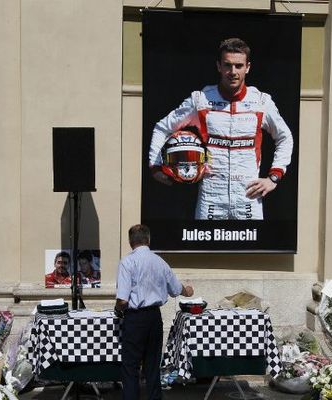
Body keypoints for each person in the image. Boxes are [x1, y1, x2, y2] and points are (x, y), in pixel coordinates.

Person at [148, 37, 293, 220]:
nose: (233, 72)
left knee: (252, 250)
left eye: (239, 66)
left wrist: (274, 177)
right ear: (219, 66)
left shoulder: (261, 102)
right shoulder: (200, 100)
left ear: (248, 67)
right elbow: (162, 128)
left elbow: (284, 137)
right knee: (206, 249)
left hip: (248, 196)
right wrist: (155, 166)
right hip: (211, 197)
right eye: (227, 65)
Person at [115, 224, 194, 400]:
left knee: (131, 367)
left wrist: (117, 309)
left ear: (130, 242)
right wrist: (188, 291)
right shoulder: (160, 261)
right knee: (152, 366)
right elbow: (176, 288)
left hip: (135, 319)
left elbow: (123, 300)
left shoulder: (127, 262)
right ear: (148, 240)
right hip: (154, 318)